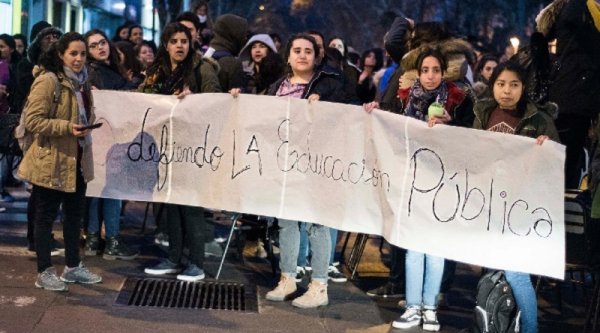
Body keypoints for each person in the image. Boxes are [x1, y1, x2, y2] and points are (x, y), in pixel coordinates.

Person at [232, 34, 348, 308]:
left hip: (317, 164)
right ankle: (288, 278)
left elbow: (349, 113)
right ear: (288, 56)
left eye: (308, 51)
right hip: (283, 164)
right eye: (297, 50)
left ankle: (319, 285)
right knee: (286, 221)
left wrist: (328, 108)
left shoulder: (331, 84)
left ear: (316, 56)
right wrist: (239, 101)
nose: (302, 55)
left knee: (316, 223)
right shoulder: (277, 87)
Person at [366, 48, 472, 331]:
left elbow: (472, 135)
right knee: (413, 246)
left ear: (444, 72)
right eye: (425, 70)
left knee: (435, 247)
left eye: (435, 70)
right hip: (411, 179)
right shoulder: (405, 98)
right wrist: (375, 112)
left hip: (444, 183)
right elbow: (392, 125)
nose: (430, 76)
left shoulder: (459, 100)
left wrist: (451, 125)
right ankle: (413, 307)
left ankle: (430, 309)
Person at [472, 60, 559, 333]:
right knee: (495, 272)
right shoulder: (483, 114)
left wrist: (548, 149)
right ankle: (500, 325)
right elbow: (470, 152)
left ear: (524, 88)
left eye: (514, 84)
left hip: (522, 208)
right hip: (489, 205)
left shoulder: (539, 120)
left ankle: (530, 328)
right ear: (492, 86)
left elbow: (556, 167)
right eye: (500, 84)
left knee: (516, 272)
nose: (506, 91)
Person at [17, 32, 102, 291]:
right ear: (60, 55)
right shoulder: (48, 80)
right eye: (73, 54)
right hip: (51, 160)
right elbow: (33, 120)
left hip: (76, 158)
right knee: (45, 217)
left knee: (75, 217)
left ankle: (73, 267)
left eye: (82, 54)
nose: (78, 59)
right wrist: (67, 127)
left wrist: (85, 127)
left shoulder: (83, 82)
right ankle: (44, 271)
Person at [141, 22, 221, 282]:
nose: (179, 46)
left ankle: (195, 263)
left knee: (191, 208)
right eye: (174, 41)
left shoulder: (202, 70)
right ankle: (174, 258)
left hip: (194, 149)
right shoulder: (158, 71)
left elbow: (215, 104)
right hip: (165, 147)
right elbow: (142, 97)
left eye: (184, 41)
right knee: (171, 205)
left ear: (191, 44)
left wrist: (192, 100)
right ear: (166, 45)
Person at [82, 29, 139, 261]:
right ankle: (111, 241)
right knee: (109, 191)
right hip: (104, 139)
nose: (100, 48)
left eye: (102, 42)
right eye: (93, 46)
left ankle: (94, 240)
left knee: (101, 190)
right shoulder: (94, 73)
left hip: (108, 139)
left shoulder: (107, 71)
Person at [537, 0, 600, 188]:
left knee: (565, 162)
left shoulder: (572, 7)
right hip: (575, 98)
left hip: (569, 96)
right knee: (566, 163)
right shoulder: (581, 8)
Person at [205, 14, 247, 93]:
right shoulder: (232, 64)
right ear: (235, 34)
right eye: (243, 34)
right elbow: (237, 101)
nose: (245, 38)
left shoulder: (203, 57)